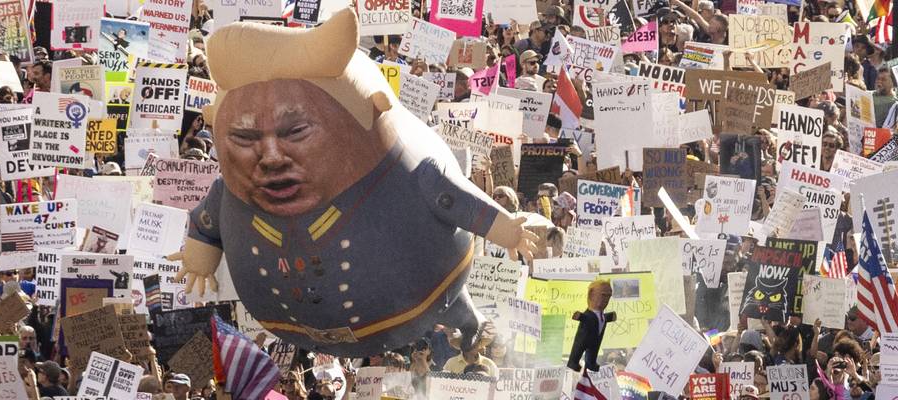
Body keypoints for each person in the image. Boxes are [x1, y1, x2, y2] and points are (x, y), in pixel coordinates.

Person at [172, 9, 539, 358]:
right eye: (244, 137)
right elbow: (208, 219)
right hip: (288, 323)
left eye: (296, 132)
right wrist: (199, 257)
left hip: (418, 302)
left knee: (456, 310)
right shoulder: (232, 192)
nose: (270, 156)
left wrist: (507, 230)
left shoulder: (411, 171)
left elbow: (452, 198)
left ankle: (469, 324)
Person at [568, 279, 615, 372]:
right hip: (584, 337)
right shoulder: (589, 314)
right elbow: (587, 318)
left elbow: (601, 319)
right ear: (591, 294)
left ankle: (591, 363)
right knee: (577, 349)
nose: (606, 299)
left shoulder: (601, 315)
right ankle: (573, 363)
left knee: (593, 352)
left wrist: (610, 317)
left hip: (596, 338)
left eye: (608, 296)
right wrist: (579, 316)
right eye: (603, 295)